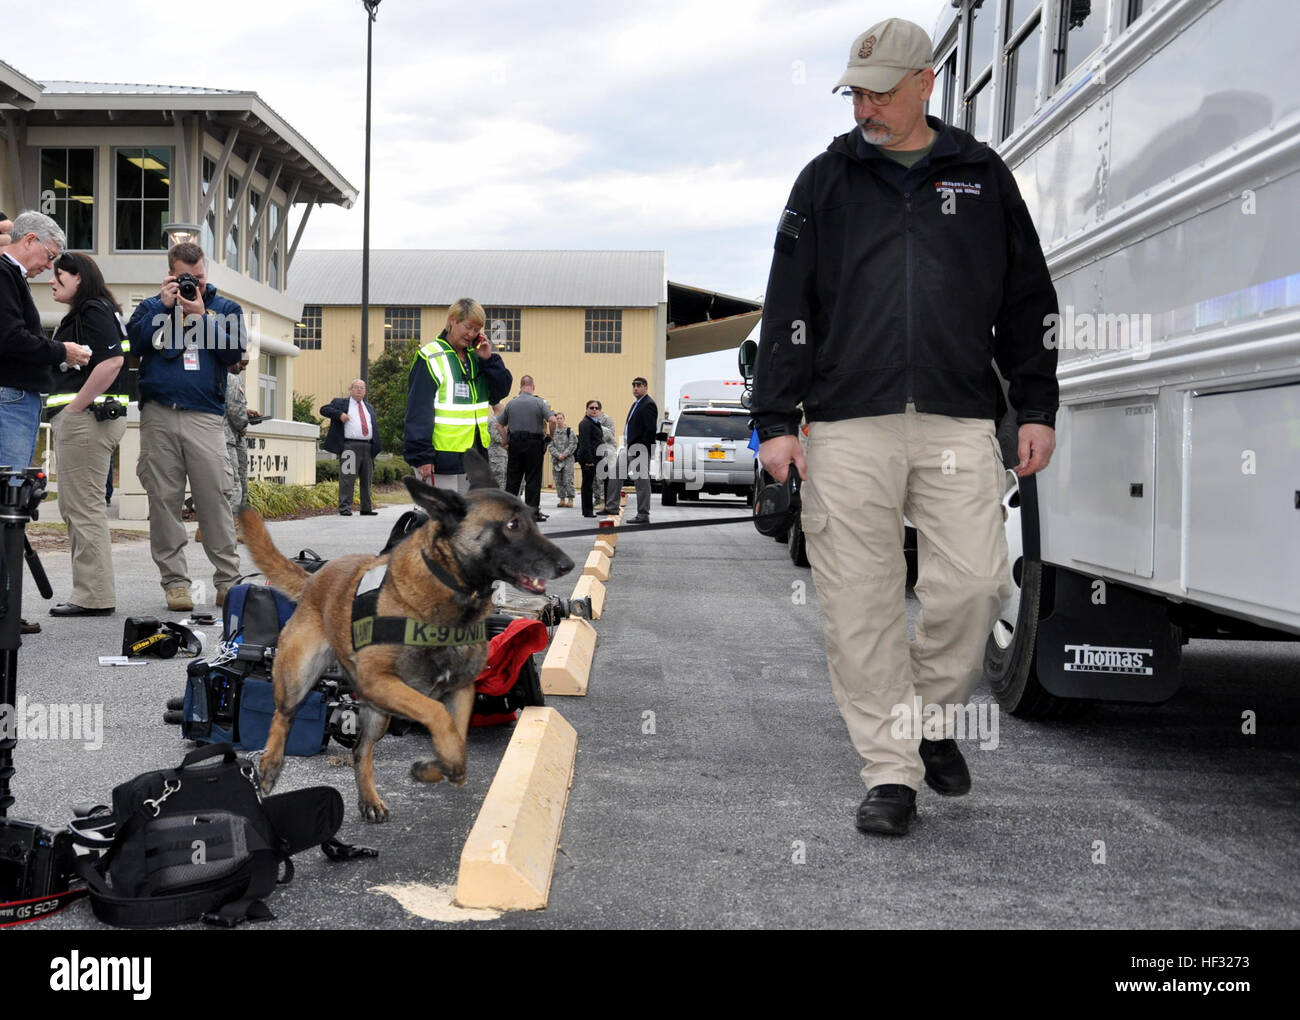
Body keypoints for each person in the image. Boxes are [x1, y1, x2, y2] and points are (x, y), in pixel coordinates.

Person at [750, 18, 1059, 837]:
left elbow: (1028, 299)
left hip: (959, 421)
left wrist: (1035, 404)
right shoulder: (824, 181)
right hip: (848, 425)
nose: (867, 106)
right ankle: (891, 773)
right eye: (857, 91)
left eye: (883, 90)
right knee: (863, 606)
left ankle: (927, 721)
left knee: (977, 585)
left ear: (928, 82)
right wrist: (777, 420)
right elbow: (788, 306)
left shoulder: (982, 176)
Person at [126, 241, 247, 612]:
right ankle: (175, 583)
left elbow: (235, 353)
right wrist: (164, 306)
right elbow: (135, 342)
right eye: (184, 278)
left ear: (206, 274)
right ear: (170, 274)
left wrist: (202, 316)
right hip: (159, 414)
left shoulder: (225, 308)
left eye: (198, 277)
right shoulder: (151, 306)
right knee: (164, 502)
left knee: (215, 499)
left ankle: (228, 581)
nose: (193, 284)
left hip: (206, 416)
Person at [44, 253, 131, 617]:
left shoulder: (92, 311)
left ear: (79, 278)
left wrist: (76, 407)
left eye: (58, 275)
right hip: (90, 421)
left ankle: (93, 596)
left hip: (86, 422)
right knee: (78, 507)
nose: (52, 281)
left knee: (83, 509)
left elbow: (112, 362)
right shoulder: (98, 310)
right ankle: (91, 592)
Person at [1, 211, 88, 479]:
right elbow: (11, 337)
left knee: (14, 482)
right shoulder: (4, 274)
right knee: (10, 485)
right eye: (50, 256)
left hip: (14, 394)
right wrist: (63, 351)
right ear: (29, 240)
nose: (50, 266)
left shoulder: (12, 276)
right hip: (11, 395)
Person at [404, 298, 512, 493]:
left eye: (477, 330)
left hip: (475, 456)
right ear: (453, 320)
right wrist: (421, 456)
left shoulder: (476, 356)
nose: (472, 335)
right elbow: (418, 410)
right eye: (468, 327)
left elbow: (500, 391)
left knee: (468, 520)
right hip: (442, 458)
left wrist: (489, 359)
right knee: (444, 520)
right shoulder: (430, 356)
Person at [500, 375, 557, 522]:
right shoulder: (540, 402)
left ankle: (510, 514)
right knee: (533, 479)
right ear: (533, 386)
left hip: (515, 444)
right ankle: (532, 513)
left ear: (520, 386)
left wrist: (506, 440)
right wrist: (552, 435)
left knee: (513, 479)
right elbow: (552, 420)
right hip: (534, 444)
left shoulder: (511, 403)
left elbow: (499, 424)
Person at [321, 379, 381, 516]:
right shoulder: (341, 403)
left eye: (362, 388)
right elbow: (323, 409)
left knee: (367, 479)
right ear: (351, 389)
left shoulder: (369, 407)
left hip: (368, 446)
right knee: (347, 478)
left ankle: (366, 508)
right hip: (349, 446)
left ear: (365, 391)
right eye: (357, 387)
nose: (359, 390)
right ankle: (345, 508)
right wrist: (339, 414)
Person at [624, 377, 658, 524]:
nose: (635, 388)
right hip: (632, 447)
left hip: (640, 449)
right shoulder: (637, 404)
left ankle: (643, 514)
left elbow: (650, 429)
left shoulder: (648, 404)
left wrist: (641, 448)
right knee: (637, 481)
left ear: (646, 387)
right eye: (634, 385)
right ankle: (613, 505)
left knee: (642, 483)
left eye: (639, 385)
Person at [224, 359, 252, 512]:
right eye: (242, 363)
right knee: (235, 482)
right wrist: (243, 423)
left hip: (221, 435)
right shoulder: (233, 379)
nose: (243, 368)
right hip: (229, 437)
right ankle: (232, 525)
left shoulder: (215, 376)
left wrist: (245, 412)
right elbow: (235, 410)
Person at [576, 400, 606, 517]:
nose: (594, 410)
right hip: (589, 459)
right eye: (591, 408)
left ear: (599, 411)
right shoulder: (585, 423)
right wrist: (589, 461)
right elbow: (585, 444)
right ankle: (587, 511)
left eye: (596, 408)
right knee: (587, 485)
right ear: (587, 409)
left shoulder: (595, 422)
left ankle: (605, 506)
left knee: (598, 483)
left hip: (597, 458)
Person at [549, 411, 577, 507]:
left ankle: (570, 499)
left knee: (568, 480)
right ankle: (562, 499)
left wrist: (564, 454)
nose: (559, 420)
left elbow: (573, 444)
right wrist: (558, 455)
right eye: (557, 418)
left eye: (561, 418)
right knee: (558, 480)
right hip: (557, 460)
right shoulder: (553, 432)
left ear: (564, 419)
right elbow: (551, 446)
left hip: (567, 460)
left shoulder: (569, 431)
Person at [487, 410, 509, 490]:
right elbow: (498, 438)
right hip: (497, 456)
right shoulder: (495, 420)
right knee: (499, 482)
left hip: (502, 455)